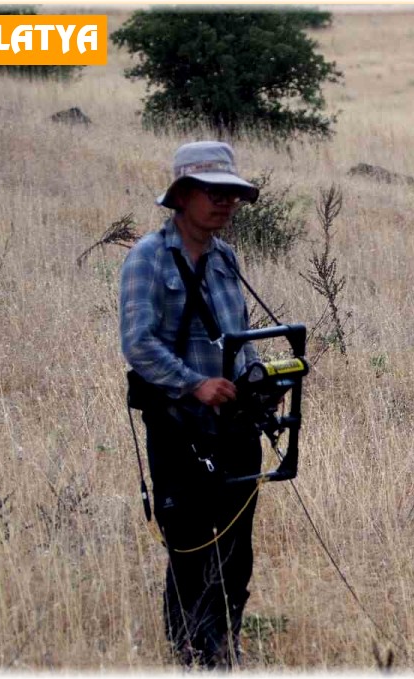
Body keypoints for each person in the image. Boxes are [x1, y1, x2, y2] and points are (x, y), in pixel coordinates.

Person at [120, 141, 264, 668]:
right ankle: (187, 651)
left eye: (232, 194)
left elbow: (238, 336)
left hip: (234, 425)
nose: (226, 203)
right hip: (178, 425)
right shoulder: (147, 260)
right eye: (214, 192)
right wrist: (193, 384)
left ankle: (222, 646)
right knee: (188, 544)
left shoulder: (226, 256)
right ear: (181, 196)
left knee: (237, 548)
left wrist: (255, 380)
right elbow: (138, 343)